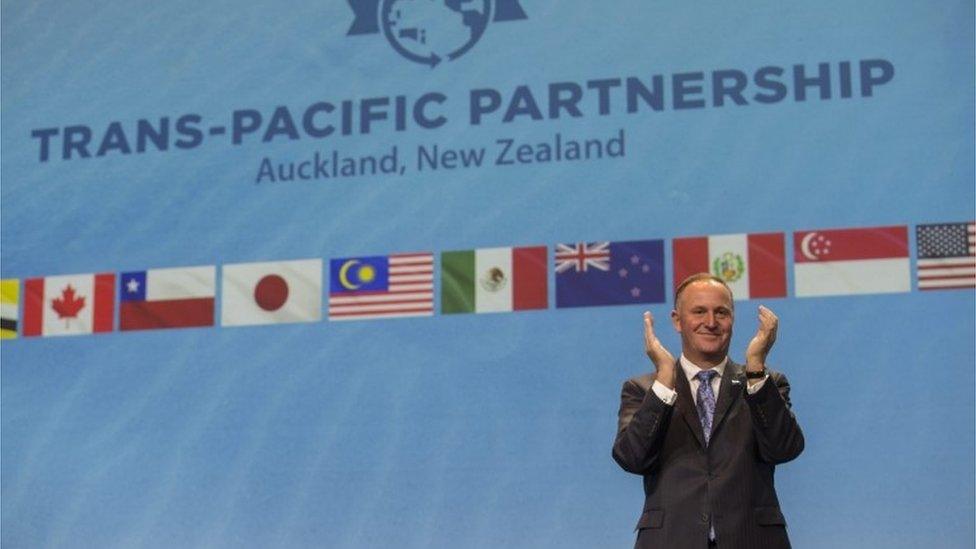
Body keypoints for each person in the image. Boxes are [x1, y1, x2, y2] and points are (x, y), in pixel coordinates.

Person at [612, 273, 804, 549]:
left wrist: (756, 368)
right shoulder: (643, 389)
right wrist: (665, 379)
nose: (711, 322)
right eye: (699, 311)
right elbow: (632, 458)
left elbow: (784, 449)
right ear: (677, 320)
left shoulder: (763, 383)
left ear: (733, 320)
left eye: (721, 313)